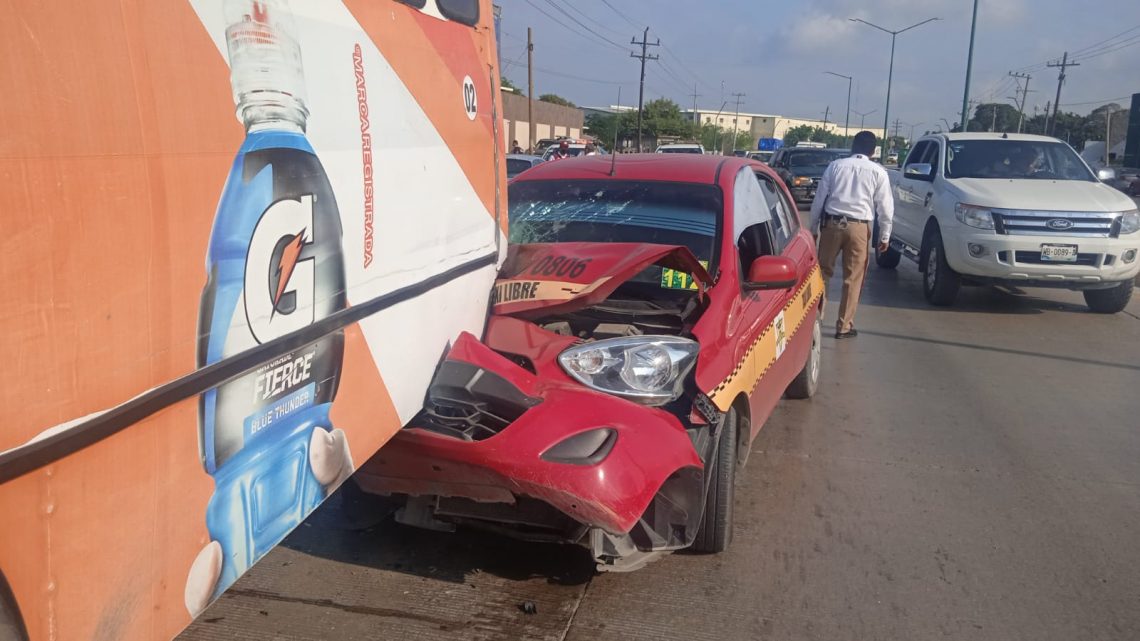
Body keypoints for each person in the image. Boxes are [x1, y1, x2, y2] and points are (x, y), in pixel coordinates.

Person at [809, 131, 894, 339]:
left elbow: (819, 199)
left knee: (823, 274)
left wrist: (812, 229)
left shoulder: (836, 166)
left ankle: (815, 322)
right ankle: (844, 326)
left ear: (852, 147)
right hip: (859, 228)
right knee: (853, 278)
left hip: (832, 224)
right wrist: (885, 236)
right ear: (873, 151)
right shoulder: (878, 172)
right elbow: (885, 207)